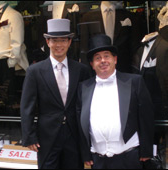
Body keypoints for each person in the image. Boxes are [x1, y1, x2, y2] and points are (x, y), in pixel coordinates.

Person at [76, 34, 154, 169]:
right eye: (97, 58)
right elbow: (79, 122)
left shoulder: (134, 82)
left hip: (129, 157)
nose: (103, 61)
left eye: (107, 56)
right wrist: (85, 154)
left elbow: (146, 117)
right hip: (98, 160)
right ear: (92, 64)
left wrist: (147, 150)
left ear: (115, 59)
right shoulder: (83, 88)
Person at [20, 19, 90, 169]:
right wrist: (29, 136)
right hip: (46, 136)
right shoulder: (35, 71)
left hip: (74, 134)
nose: (59, 45)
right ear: (47, 41)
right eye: (54, 40)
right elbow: (27, 107)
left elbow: (87, 103)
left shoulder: (81, 70)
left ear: (70, 42)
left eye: (63, 40)